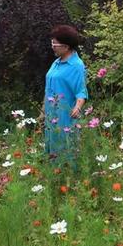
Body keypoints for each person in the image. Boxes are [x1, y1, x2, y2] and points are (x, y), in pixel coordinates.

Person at [43, 25, 88, 166]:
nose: (53, 47)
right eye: (52, 43)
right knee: (51, 149)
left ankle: (68, 179)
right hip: (51, 114)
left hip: (65, 115)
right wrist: (43, 110)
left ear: (66, 46)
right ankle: (54, 180)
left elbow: (81, 90)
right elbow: (48, 89)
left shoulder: (76, 65)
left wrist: (78, 107)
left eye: (55, 44)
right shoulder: (56, 63)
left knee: (65, 147)